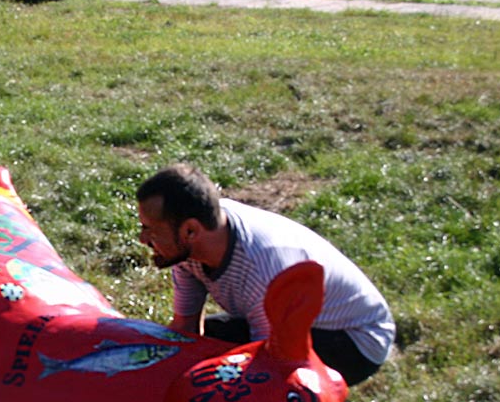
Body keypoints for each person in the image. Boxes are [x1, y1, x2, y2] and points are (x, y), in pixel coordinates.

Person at [136, 164, 394, 387]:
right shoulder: (192, 238)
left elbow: (268, 364)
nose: (143, 239)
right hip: (286, 322)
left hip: (352, 340)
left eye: (150, 230)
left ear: (190, 231)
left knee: (237, 380)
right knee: (203, 348)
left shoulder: (266, 267)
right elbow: (186, 327)